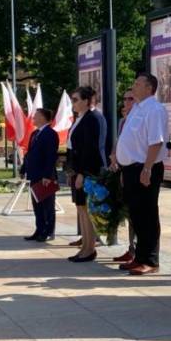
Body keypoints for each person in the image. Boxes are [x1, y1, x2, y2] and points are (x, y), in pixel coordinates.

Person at [115, 71, 169, 275]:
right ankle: (139, 256)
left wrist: (147, 168)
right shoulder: (137, 108)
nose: (134, 86)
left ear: (149, 88)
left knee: (147, 215)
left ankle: (151, 261)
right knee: (136, 215)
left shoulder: (154, 109)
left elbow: (156, 141)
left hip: (146, 167)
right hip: (131, 169)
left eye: (138, 84)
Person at [66, 86, 103, 262]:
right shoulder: (80, 118)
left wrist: (82, 173)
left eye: (75, 99)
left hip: (88, 171)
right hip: (78, 170)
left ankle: (90, 249)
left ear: (87, 101)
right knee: (81, 208)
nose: (73, 103)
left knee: (88, 209)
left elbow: (90, 149)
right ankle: (85, 246)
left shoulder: (93, 118)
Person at [21, 107, 59, 242]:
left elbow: (51, 156)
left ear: (43, 118)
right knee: (37, 205)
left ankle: (48, 232)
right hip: (34, 174)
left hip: (45, 177)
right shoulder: (35, 133)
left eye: (36, 115)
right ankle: (39, 229)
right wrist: (24, 168)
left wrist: (47, 176)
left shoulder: (50, 133)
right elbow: (30, 153)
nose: (33, 118)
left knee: (47, 206)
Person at [111, 89, 137, 264]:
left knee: (138, 213)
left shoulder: (138, 119)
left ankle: (137, 250)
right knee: (129, 211)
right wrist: (114, 156)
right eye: (125, 99)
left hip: (135, 169)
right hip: (123, 169)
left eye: (130, 99)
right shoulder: (123, 121)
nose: (126, 102)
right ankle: (131, 248)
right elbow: (119, 141)